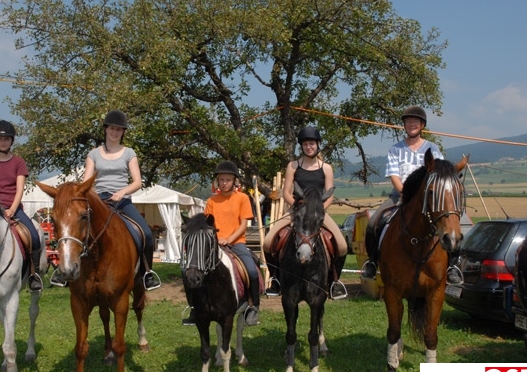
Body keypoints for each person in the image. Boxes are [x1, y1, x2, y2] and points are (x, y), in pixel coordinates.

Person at [361, 105, 463, 284]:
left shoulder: (433, 148)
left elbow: (441, 175)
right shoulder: (395, 149)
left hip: (429, 198)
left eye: (416, 121)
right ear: (404, 125)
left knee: (452, 224)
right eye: (408, 121)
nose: (412, 124)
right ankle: (372, 262)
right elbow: (394, 175)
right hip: (400, 195)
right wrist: (405, 194)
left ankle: (452, 265)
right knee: (373, 222)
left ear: (422, 125)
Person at [262, 127, 348, 298]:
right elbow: (287, 193)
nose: (309, 147)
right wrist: (299, 208)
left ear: (318, 145)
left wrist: (317, 210)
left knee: (342, 245)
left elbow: (329, 195)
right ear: (301, 146)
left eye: (312, 144)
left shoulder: (326, 168)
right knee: (267, 241)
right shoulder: (293, 166)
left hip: (318, 213)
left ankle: (334, 281)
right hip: (296, 211)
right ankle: (275, 279)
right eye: (306, 144)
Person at [83, 109, 161, 291]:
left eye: (119, 129)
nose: (115, 132)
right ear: (106, 129)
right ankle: (67, 271)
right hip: (99, 200)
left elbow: (137, 182)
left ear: (123, 132)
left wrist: (121, 192)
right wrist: (93, 197)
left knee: (146, 234)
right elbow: (86, 182)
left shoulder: (129, 153)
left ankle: (146, 274)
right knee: (76, 230)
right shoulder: (93, 154)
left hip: (122, 200)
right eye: (112, 128)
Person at [183, 161, 261, 326]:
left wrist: (229, 239)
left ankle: (253, 307)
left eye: (228, 180)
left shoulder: (243, 198)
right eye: (221, 180)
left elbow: (243, 225)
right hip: (214, 245)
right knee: (187, 270)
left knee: (251, 270)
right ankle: (194, 307)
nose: (224, 183)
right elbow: (206, 225)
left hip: (236, 243)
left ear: (234, 181)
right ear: (217, 181)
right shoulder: (212, 201)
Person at [0, 120, 43, 291]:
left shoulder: (18, 162)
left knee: (34, 236)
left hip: (13, 208)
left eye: (6, 139)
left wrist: (12, 209)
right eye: (0, 139)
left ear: (12, 141)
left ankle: (34, 274)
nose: (3, 142)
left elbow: (20, 189)